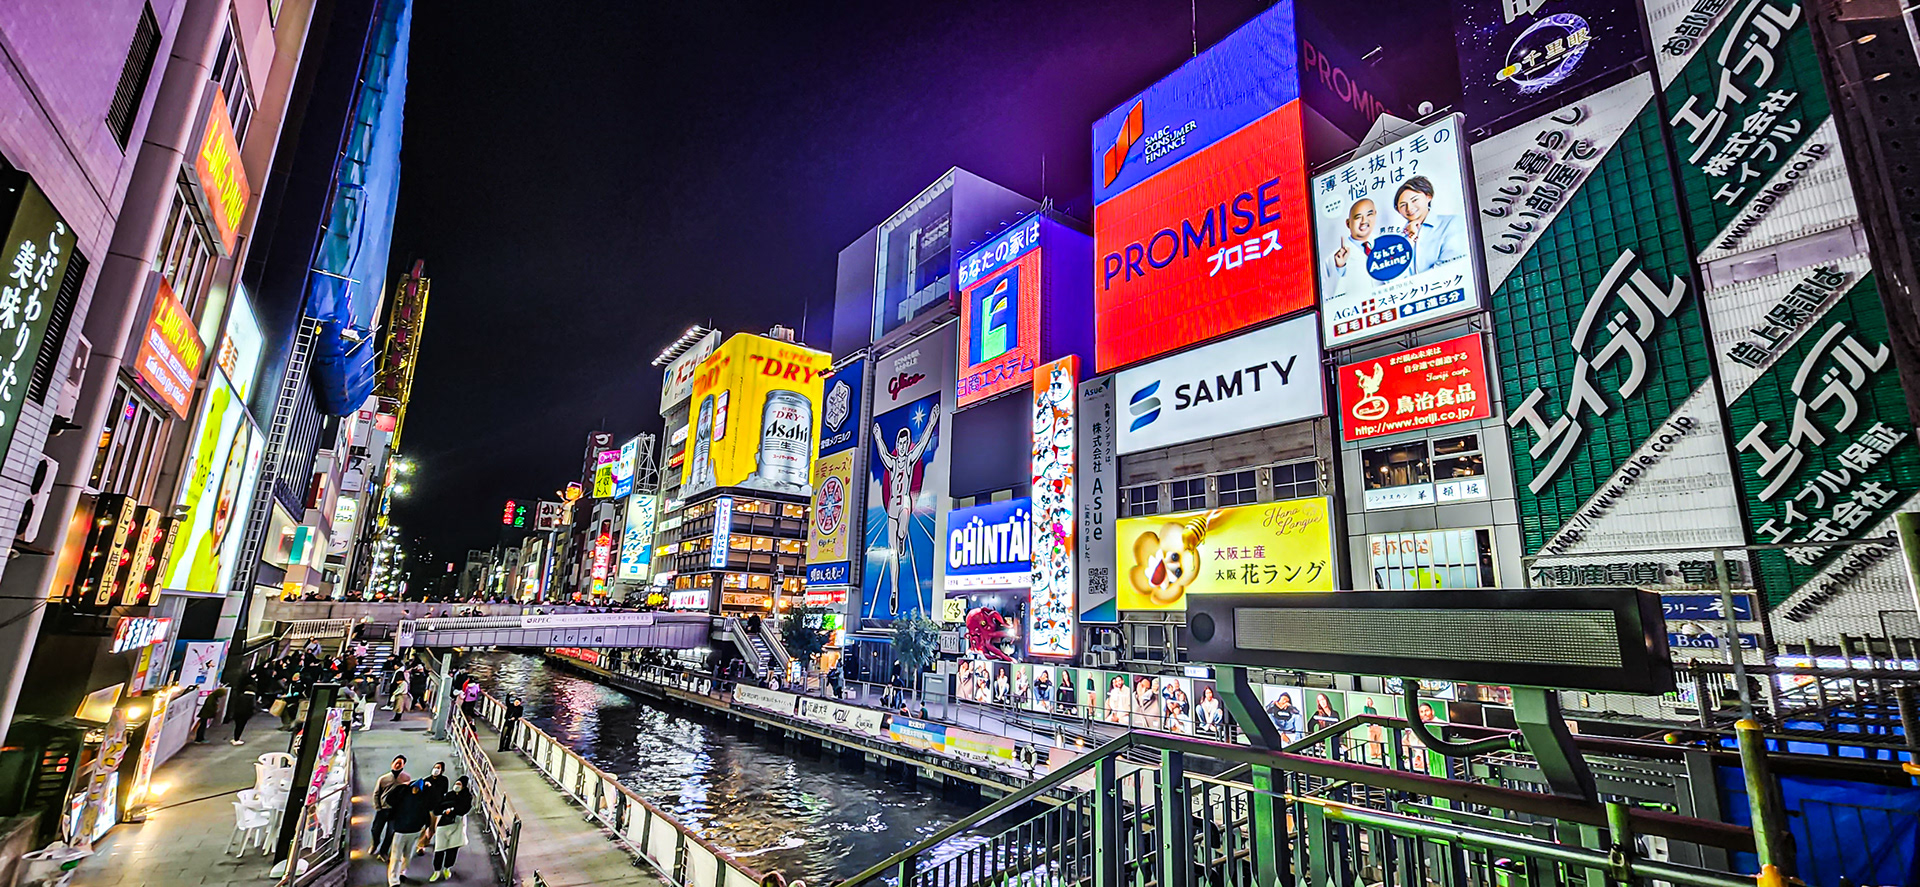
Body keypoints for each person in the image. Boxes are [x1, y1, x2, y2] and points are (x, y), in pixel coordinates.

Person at [872, 403, 940, 615]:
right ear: (897, 444)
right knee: (893, 553)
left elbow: (923, 442)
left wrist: (932, 421)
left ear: (907, 444)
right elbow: (883, 453)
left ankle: (902, 538)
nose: (902, 446)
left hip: (904, 502)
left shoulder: (910, 460)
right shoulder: (892, 463)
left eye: (904, 442)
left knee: (902, 528)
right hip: (892, 506)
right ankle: (894, 591)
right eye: (899, 443)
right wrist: (877, 437)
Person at [1393, 176, 1467, 274]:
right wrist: (1410, 239)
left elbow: (1451, 265)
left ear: (1428, 196)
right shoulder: (1398, 240)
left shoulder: (1452, 223)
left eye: (1414, 200)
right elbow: (1393, 276)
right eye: (1403, 205)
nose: (1409, 208)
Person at [1323, 197, 1381, 295]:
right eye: (1358, 217)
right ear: (1348, 223)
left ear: (1375, 214)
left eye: (1369, 214)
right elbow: (1327, 295)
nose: (1364, 221)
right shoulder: (1334, 259)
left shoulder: (1387, 245)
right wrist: (1340, 267)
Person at [386, 779, 434, 887]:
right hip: (400, 830)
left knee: (408, 855)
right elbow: (389, 800)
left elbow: (429, 808)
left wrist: (427, 827)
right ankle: (393, 880)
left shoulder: (422, 799)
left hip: (414, 831)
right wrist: (401, 786)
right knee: (396, 856)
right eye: (414, 787)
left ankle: (402, 872)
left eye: (418, 788)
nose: (415, 790)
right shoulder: (403, 795)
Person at [430, 776, 473, 882]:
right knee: (439, 848)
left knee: (452, 849)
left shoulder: (467, 797)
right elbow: (438, 808)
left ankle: (447, 868)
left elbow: (463, 809)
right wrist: (449, 807)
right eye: (456, 784)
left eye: (459, 784)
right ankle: (437, 870)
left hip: (457, 825)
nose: (457, 786)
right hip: (443, 824)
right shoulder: (449, 795)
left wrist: (451, 809)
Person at [371, 755, 410, 860]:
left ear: (403, 765)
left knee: (390, 833)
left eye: (400, 763)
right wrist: (378, 807)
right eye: (396, 763)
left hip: (396, 810)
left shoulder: (406, 778)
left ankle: (383, 852)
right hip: (383, 809)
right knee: (375, 830)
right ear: (392, 763)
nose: (398, 765)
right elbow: (376, 794)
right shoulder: (383, 779)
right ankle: (375, 843)